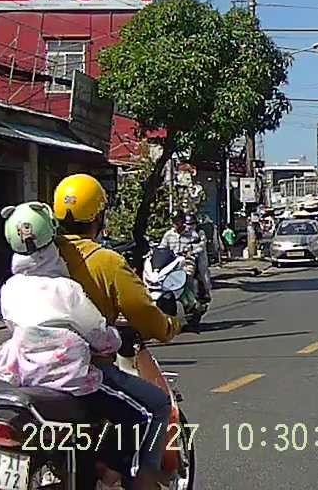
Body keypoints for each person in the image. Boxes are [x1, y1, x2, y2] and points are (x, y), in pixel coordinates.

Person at [0, 202, 129, 489]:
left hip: (27, 377)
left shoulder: (9, 289)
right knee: (130, 409)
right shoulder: (66, 288)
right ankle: (110, 470)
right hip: (71, 379)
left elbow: (14, 325)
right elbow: (97, 333)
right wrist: (116, 339)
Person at [52, 174, 181, 490]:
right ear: (99, 216)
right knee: (157, 405)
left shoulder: (42, 257)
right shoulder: (106, 262)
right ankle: (142, 479)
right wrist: (169, 326)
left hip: (29, 366)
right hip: (84, 368)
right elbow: (144, 312)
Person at [157, 213, 212, 304]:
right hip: (171, 262)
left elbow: (199, 246)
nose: (175, 223)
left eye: (178, 220)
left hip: (187, 261)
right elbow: (162, 248)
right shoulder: (168, 234)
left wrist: (190, 251)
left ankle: (193, 299)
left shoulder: (193, 234)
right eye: (174, 221)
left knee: (187, 275)